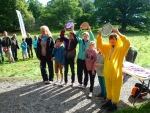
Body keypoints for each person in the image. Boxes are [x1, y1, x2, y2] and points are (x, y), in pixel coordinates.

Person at [97, 28, 130, 112]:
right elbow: (100, 45)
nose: (112, 41)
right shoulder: (107, 48)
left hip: (116, 74)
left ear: (116, 40)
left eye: (113, 39)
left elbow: (127, 43)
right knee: (108, 88)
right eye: (110, 39)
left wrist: (118, 33)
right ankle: (109, 101)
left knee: (116, 89)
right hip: (107, 72)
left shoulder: (121, 49)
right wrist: (100, 35)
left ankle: (114, 105)